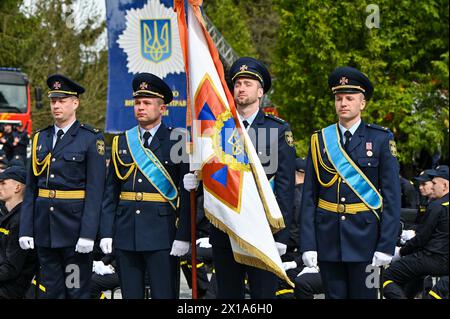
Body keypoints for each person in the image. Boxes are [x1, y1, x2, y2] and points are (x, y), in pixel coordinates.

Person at [185, 57, 296, 298]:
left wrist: (281, 235)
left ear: (260, 91)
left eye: (247, 83)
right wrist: (197, 178)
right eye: (237, 84)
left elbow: (285, 187)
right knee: (228, 296)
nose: (241, 88)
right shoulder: (218, 128)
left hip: (262, 229)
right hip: (226, 227)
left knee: (262, 296)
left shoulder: (278, 130)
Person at [300, 66, 401, 299]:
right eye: (338, 98)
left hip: (367, 242)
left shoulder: (381, 139)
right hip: (328, 241)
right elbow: (309, 198)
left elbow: (392, 198)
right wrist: (308, 243)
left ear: (362, 103)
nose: (343, 103)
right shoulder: (320, 140)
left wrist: (386, 245)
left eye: (349, 98)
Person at [100, 72, 191, 299]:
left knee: (164, 294)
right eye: (138, 102)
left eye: (147, 103)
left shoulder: (177, 139)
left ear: (162, 109)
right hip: (126, 232)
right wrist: (106, 232)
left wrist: (183, 235)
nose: (140, 107)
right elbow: (111, 191)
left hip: (163, 233)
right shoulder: (122, 141)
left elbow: (187, 194)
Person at [18, 74, 106, 299]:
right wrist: (26, 228)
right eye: (53, 101)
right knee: (52, 292)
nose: (56, 106)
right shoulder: (41, 137)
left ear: (75, 103)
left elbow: (96, 192)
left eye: (62, 100)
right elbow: (31, 189)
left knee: (75, 290)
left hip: (74, 233)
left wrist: (88, 234)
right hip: (45, 229)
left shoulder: (90, 139)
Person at [383, 165, 449, 299]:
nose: (432, 186)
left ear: (445, 185)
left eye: (434, 183)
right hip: (444, 262)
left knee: (388, 276)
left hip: (431, 258)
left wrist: (401, 252)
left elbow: (421, 239)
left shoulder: (437, 206)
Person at [0, 166, 38, 298]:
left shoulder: (21, 220)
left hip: (13, 288)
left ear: (17, 188)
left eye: (3, 183)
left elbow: (11, 268)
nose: (0, 186)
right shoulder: (8, 215)